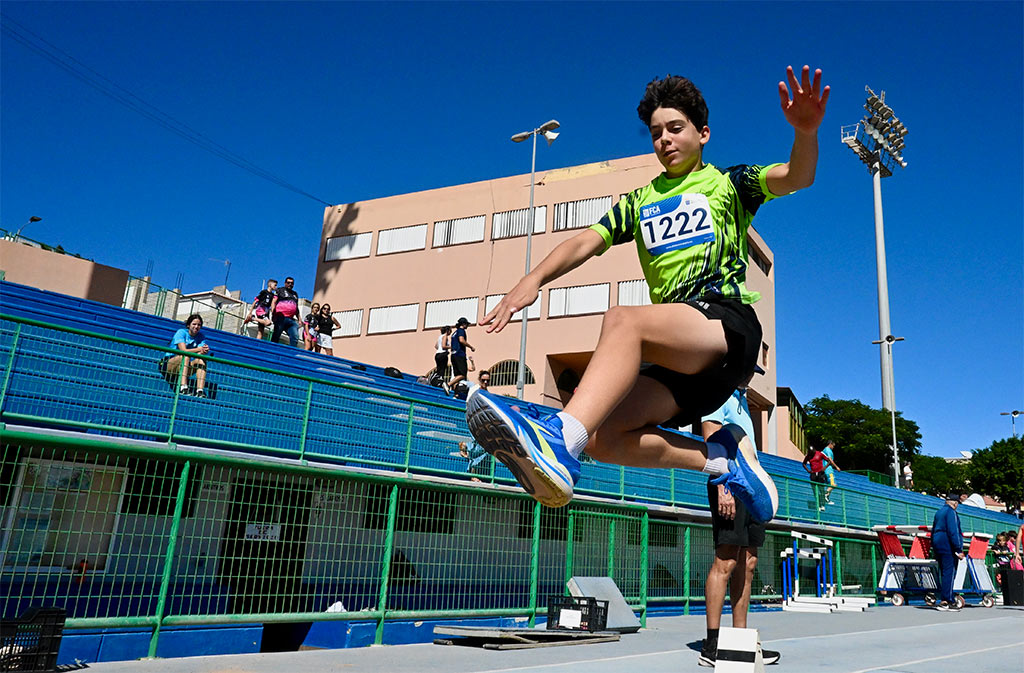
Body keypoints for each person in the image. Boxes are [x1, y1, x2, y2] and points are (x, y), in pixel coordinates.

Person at [465, 65, 829, 521]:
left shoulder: (728, 184)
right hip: (683, 359)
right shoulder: (639, 202)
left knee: (624, 320)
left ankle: (558, 441)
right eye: (656, 133)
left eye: (676, 128)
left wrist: (806, 131)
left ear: (704, 133)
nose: (664, 140)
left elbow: (798, 176)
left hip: (724, 325)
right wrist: (533, 278)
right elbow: (585, 241)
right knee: (603, 435)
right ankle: (723, 460)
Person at [699, 367, 780, 667]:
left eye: (752, 370)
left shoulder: (743, 401)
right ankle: (712, 644)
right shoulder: (718, 393)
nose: (748, 374)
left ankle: (740, 642)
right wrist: (724, 490)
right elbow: (711, 441)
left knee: (748, 563)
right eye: (744, 367)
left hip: (749, 488)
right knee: (727, 560)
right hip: (729, 485)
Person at [931, 492, 964, 611]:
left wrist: (933, 546)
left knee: (943, 572)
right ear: (955, 503)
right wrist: (958, 548)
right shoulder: (951, 513)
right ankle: (947, 600)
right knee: (949, 572)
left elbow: (933, 529)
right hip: (947, 544)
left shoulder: (938, 512)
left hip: (937, 543)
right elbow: (953, 531)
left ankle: (945, 598)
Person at [165, 314, 210, 398]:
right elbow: (183, 350)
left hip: (185, 366)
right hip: (169, 363)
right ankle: (183, 388)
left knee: (201, 359)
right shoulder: (181, 332)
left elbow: (200, 352)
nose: (196, 327)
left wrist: (204, 350)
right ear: (188, 325)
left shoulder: (201, 336)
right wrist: (199, 349)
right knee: (185, 356)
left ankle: (200, 391)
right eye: (194, 324)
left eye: (199, 325)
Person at [802, 444, 839, 511]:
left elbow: (829, 460)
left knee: (821, 489)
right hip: (813, 474)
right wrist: (808, 470)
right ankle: (818, 505)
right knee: (814, 491)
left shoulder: (819, 454)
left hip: (820, 473)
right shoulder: (808, 456)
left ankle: (822, 505)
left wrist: (824, 468)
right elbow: (804, 463)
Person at [270, 276, 302, 347]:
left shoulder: (295, 294)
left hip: (291, 319)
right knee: (276, 335)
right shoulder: (280, 290)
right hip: (280, 317)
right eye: (288, 283)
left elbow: (296, 308)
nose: (290, 284)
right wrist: (273, 313)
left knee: (295, 337)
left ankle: (291, 353)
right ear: (285, 283)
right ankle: (272, 349)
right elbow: (273, 302)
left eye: (292, 283)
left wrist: (299, 319)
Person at [447, 317, 475, 394]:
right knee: (462, 374)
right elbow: (461, 340)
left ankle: (455, 393)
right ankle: (448, 384)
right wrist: (471, 347)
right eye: (467, 324)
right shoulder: (461, 331)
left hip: (453, 355)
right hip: (459, 354)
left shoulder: (454, 333)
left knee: (457, 376)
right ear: (463, 324)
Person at [821, 440, 839, 504]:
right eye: (833, 445)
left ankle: (826, 498)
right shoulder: (828, 450)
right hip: (828, 470)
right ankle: (824, 496)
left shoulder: (824, 450)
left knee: (830, 485)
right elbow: (830, 459)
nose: (833, 447)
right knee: (833, 484)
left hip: (824, 469)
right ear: (830, 444)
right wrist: (836, 467)